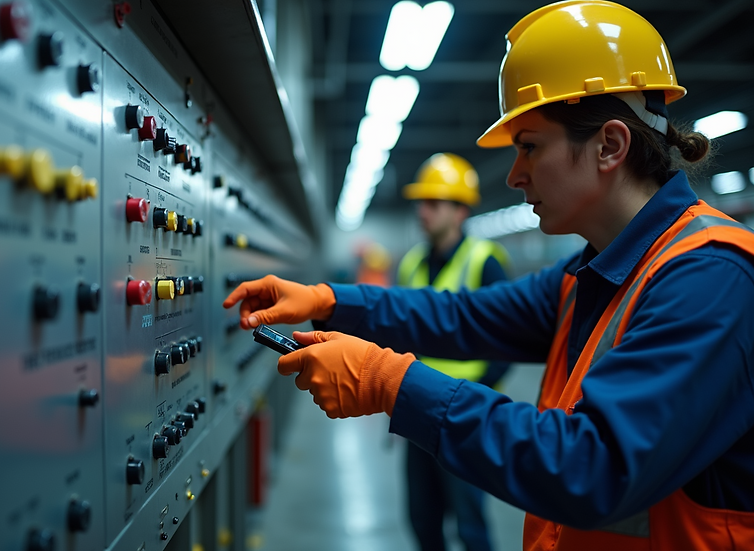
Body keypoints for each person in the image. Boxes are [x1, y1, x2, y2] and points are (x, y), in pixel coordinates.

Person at [222, 2, 754, 550]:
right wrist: (324, 299)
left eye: (529, 147)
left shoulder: (708, 278)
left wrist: (389, 382)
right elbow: (464, 314)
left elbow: (591, 466)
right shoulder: (594, 271)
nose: (514, 175)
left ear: (610, 146)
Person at [397, 152, 511, 551]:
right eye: (420, 203)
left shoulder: (485, 262)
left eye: (433, 203)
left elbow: (507, 342)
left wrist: (472, 394)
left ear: (460, 211)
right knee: (421, 518)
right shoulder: (411, 264)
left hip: (463, 413)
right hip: (416, 407)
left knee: (469, 522)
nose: (422, 212)